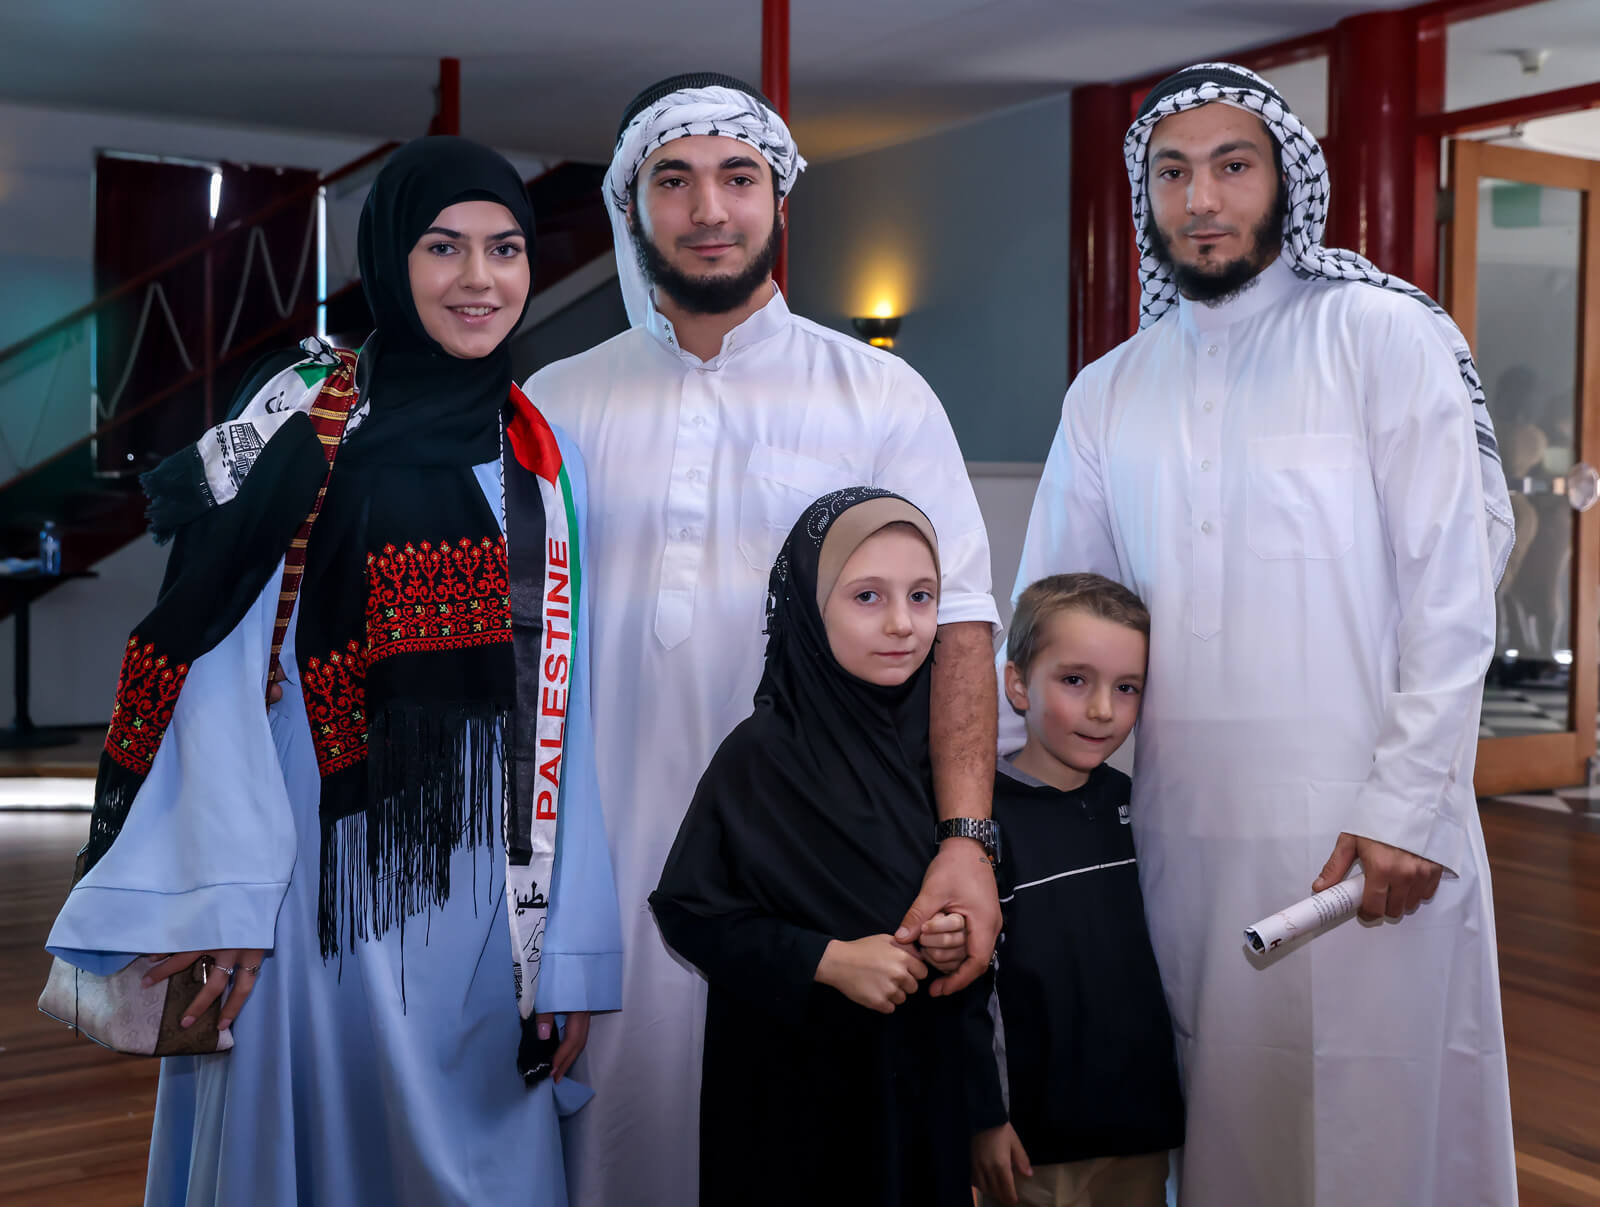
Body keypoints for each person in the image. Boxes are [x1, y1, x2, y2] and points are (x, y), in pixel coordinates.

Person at [46, 136, 621, 1207]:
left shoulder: (544, 455)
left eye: (504, 248)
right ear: (391, 257)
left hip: (490, 891)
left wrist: (568, 952)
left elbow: (562, 705)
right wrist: (228, 895)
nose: (479, 278)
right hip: (309, 869)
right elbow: (213, 657)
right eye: (443, 246)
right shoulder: (305, 412)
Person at [1004, 62, 1518, 1205]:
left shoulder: (1380, 334)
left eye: (1232, 166)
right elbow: (1058, 612)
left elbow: (1452, 589)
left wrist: (1408, 804)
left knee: (1378, 1115)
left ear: (1287, 177)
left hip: (1369, 828)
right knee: (1219, 1110)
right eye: (1172, 173)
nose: (1200, 199)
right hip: (1176, 828)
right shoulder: (1109, 389)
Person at [523, 72, 1002, 1205]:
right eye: (674, 180)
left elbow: (961, 624)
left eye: (738, 177)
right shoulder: (554, 400)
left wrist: (968, 838)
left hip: (826, 877)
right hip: (601, 870)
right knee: (615, 1160)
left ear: (779, 199)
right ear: (630, 205)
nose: (708, 210)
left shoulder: (879, 394)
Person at [652, 488, 978, 1207]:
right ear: (808, 603)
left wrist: (953, 938)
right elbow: (689, 911)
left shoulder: (950, 761)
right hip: (791, 1108)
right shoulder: (762, 757)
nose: (902, 623)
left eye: (922, 596)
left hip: (920, 1095)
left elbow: (974, 920)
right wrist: (827, 961)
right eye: (867, 596)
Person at [968, 573, 1183, 1207]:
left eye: (1126, 688)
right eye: (1074, 680)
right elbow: (966, 991)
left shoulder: (1141, 808)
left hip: (1139, 1133)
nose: (1102, 710)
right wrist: (983, 1114)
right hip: (1031, 1145)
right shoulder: (979, 824)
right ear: (1017, 684)